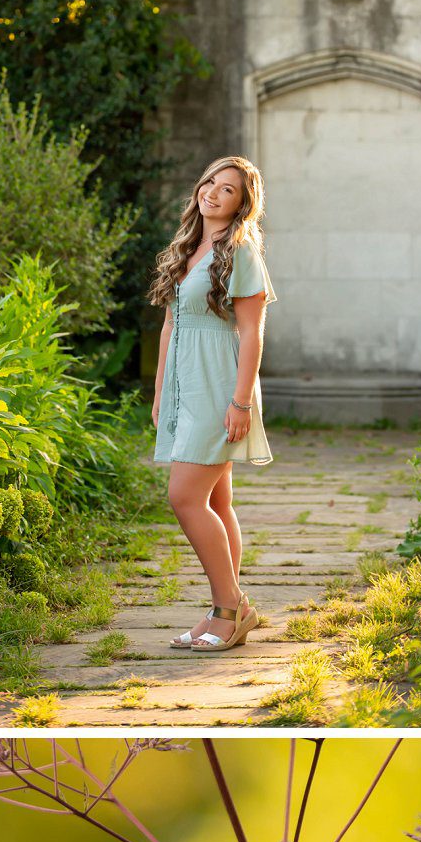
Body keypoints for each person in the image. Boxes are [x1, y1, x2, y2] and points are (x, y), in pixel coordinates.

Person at [148, 156, 276, 656]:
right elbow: (170, 326)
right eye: (210, 183)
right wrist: (161, 390)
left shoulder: (240, 251)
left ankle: (231, 607)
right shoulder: (188, 248)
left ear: (243, 204)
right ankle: (223, 606)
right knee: (217, 501)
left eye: (228, 190)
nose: (214, 193)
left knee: (184, 497)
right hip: (186, 385)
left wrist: (240, 401)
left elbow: (251, 331)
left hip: (221, 384)